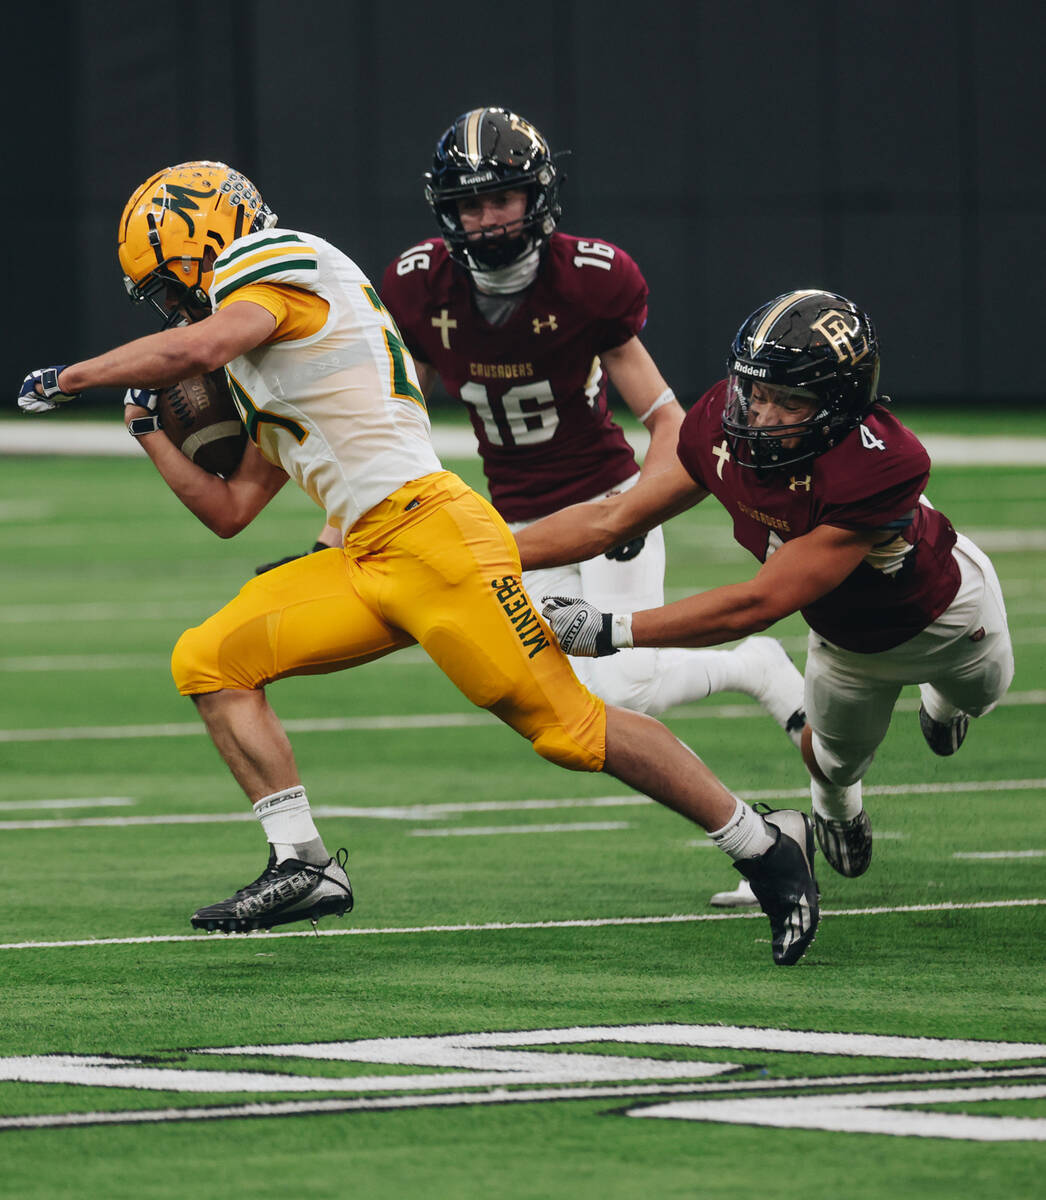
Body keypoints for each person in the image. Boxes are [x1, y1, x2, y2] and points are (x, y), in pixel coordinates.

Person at [17, 161, 820, 965]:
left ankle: (763, 846)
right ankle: (303, 863)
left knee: (571, 727)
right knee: (209, 659)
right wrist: (146, 428)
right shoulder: (265, 358)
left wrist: (73, 376)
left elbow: (202, 340)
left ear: (208, 238)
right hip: (364, 550)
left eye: (166, 285)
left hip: (432, 536)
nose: (170, 304)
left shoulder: (278, 261)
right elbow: (230, 511)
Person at [260, 108, 806, 915]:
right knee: (561, 703)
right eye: (472, 204)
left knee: (621, 696)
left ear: (537, 198)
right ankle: (758, 779)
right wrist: (327, 534)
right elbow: (384, 434)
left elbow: (666, 420)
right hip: (514, 531)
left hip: (605, 502)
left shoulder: (591, 278)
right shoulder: (417, 286)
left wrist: (637, 508)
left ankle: (756, 682)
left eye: (503, 199)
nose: (487, 219)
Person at [517, 288, 1015, 891]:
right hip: (847, 640)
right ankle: (835, 808)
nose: (762, 413)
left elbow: (761, 602)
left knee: (982, 694)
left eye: (790, 400)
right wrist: (485, 554)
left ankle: (945, 705)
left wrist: (612, 628)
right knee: (832, 761)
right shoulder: (722, 426)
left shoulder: (881, 464)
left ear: (840, 403)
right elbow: (613, 518)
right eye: (757, 392)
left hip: (948, 617)